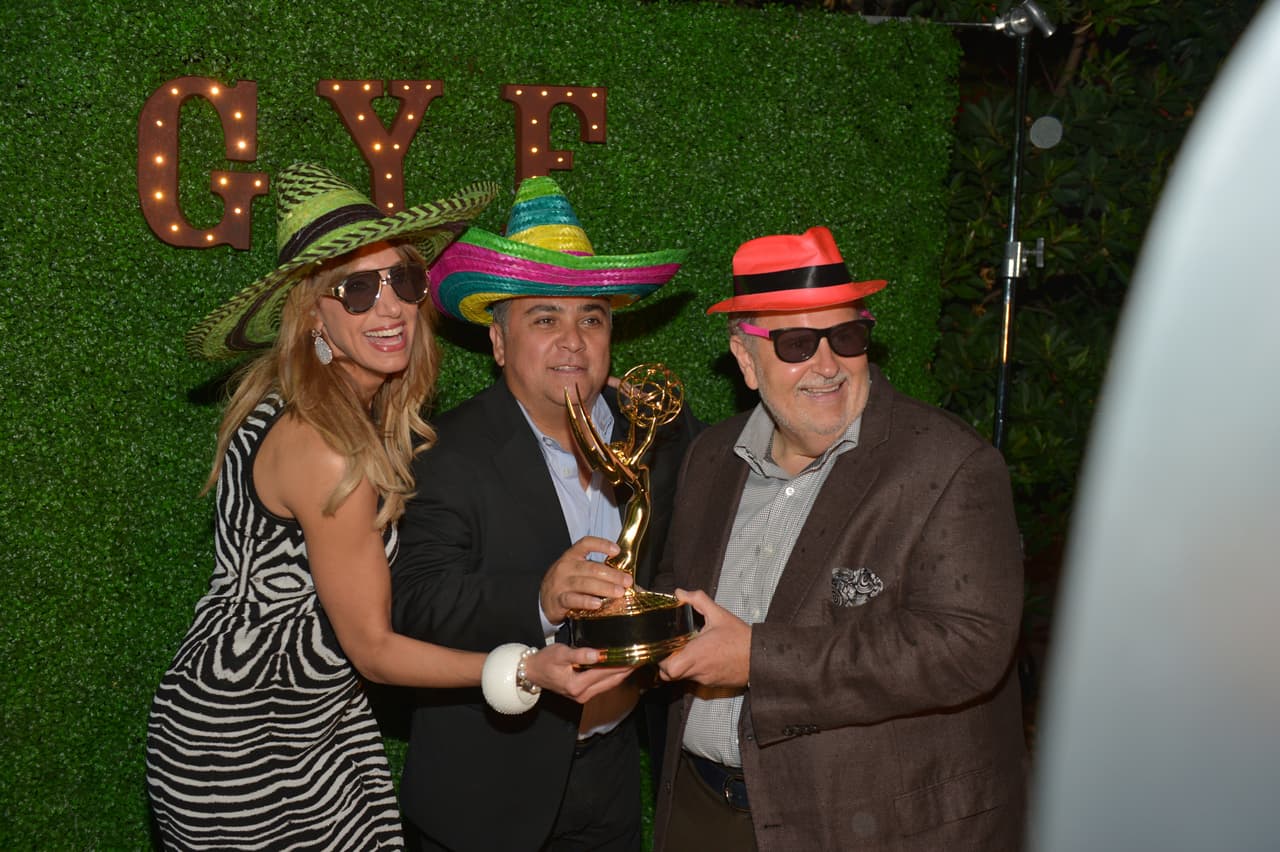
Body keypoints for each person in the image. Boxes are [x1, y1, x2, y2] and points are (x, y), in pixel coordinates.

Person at [145, 164, 632, 850]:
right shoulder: (326, 445)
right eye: (356, 288)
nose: (389, 307)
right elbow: (373, 650)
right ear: (313, 313)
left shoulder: (342, 414)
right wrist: (524, 668)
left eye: (403, 281)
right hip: (249, 734)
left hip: (320, 714)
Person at [651, 226, 1028, 851]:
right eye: (797, 344)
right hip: (702, 810)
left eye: (847, 337)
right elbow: (680, 594)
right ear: (746, 361)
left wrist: (756, 660)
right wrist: (621, 624)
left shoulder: (949, 463)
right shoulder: (711, 456)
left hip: (867, 825)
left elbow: (969, 647)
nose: (827, 365)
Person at [390, 175, 698, 851]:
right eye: (544, 318)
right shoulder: (448, 452)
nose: (574, 341)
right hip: (485, 793)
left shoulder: (661, 439)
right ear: (498, 344)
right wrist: (539, 597)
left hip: (614, 779)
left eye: (592, 317)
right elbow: (413, 600)